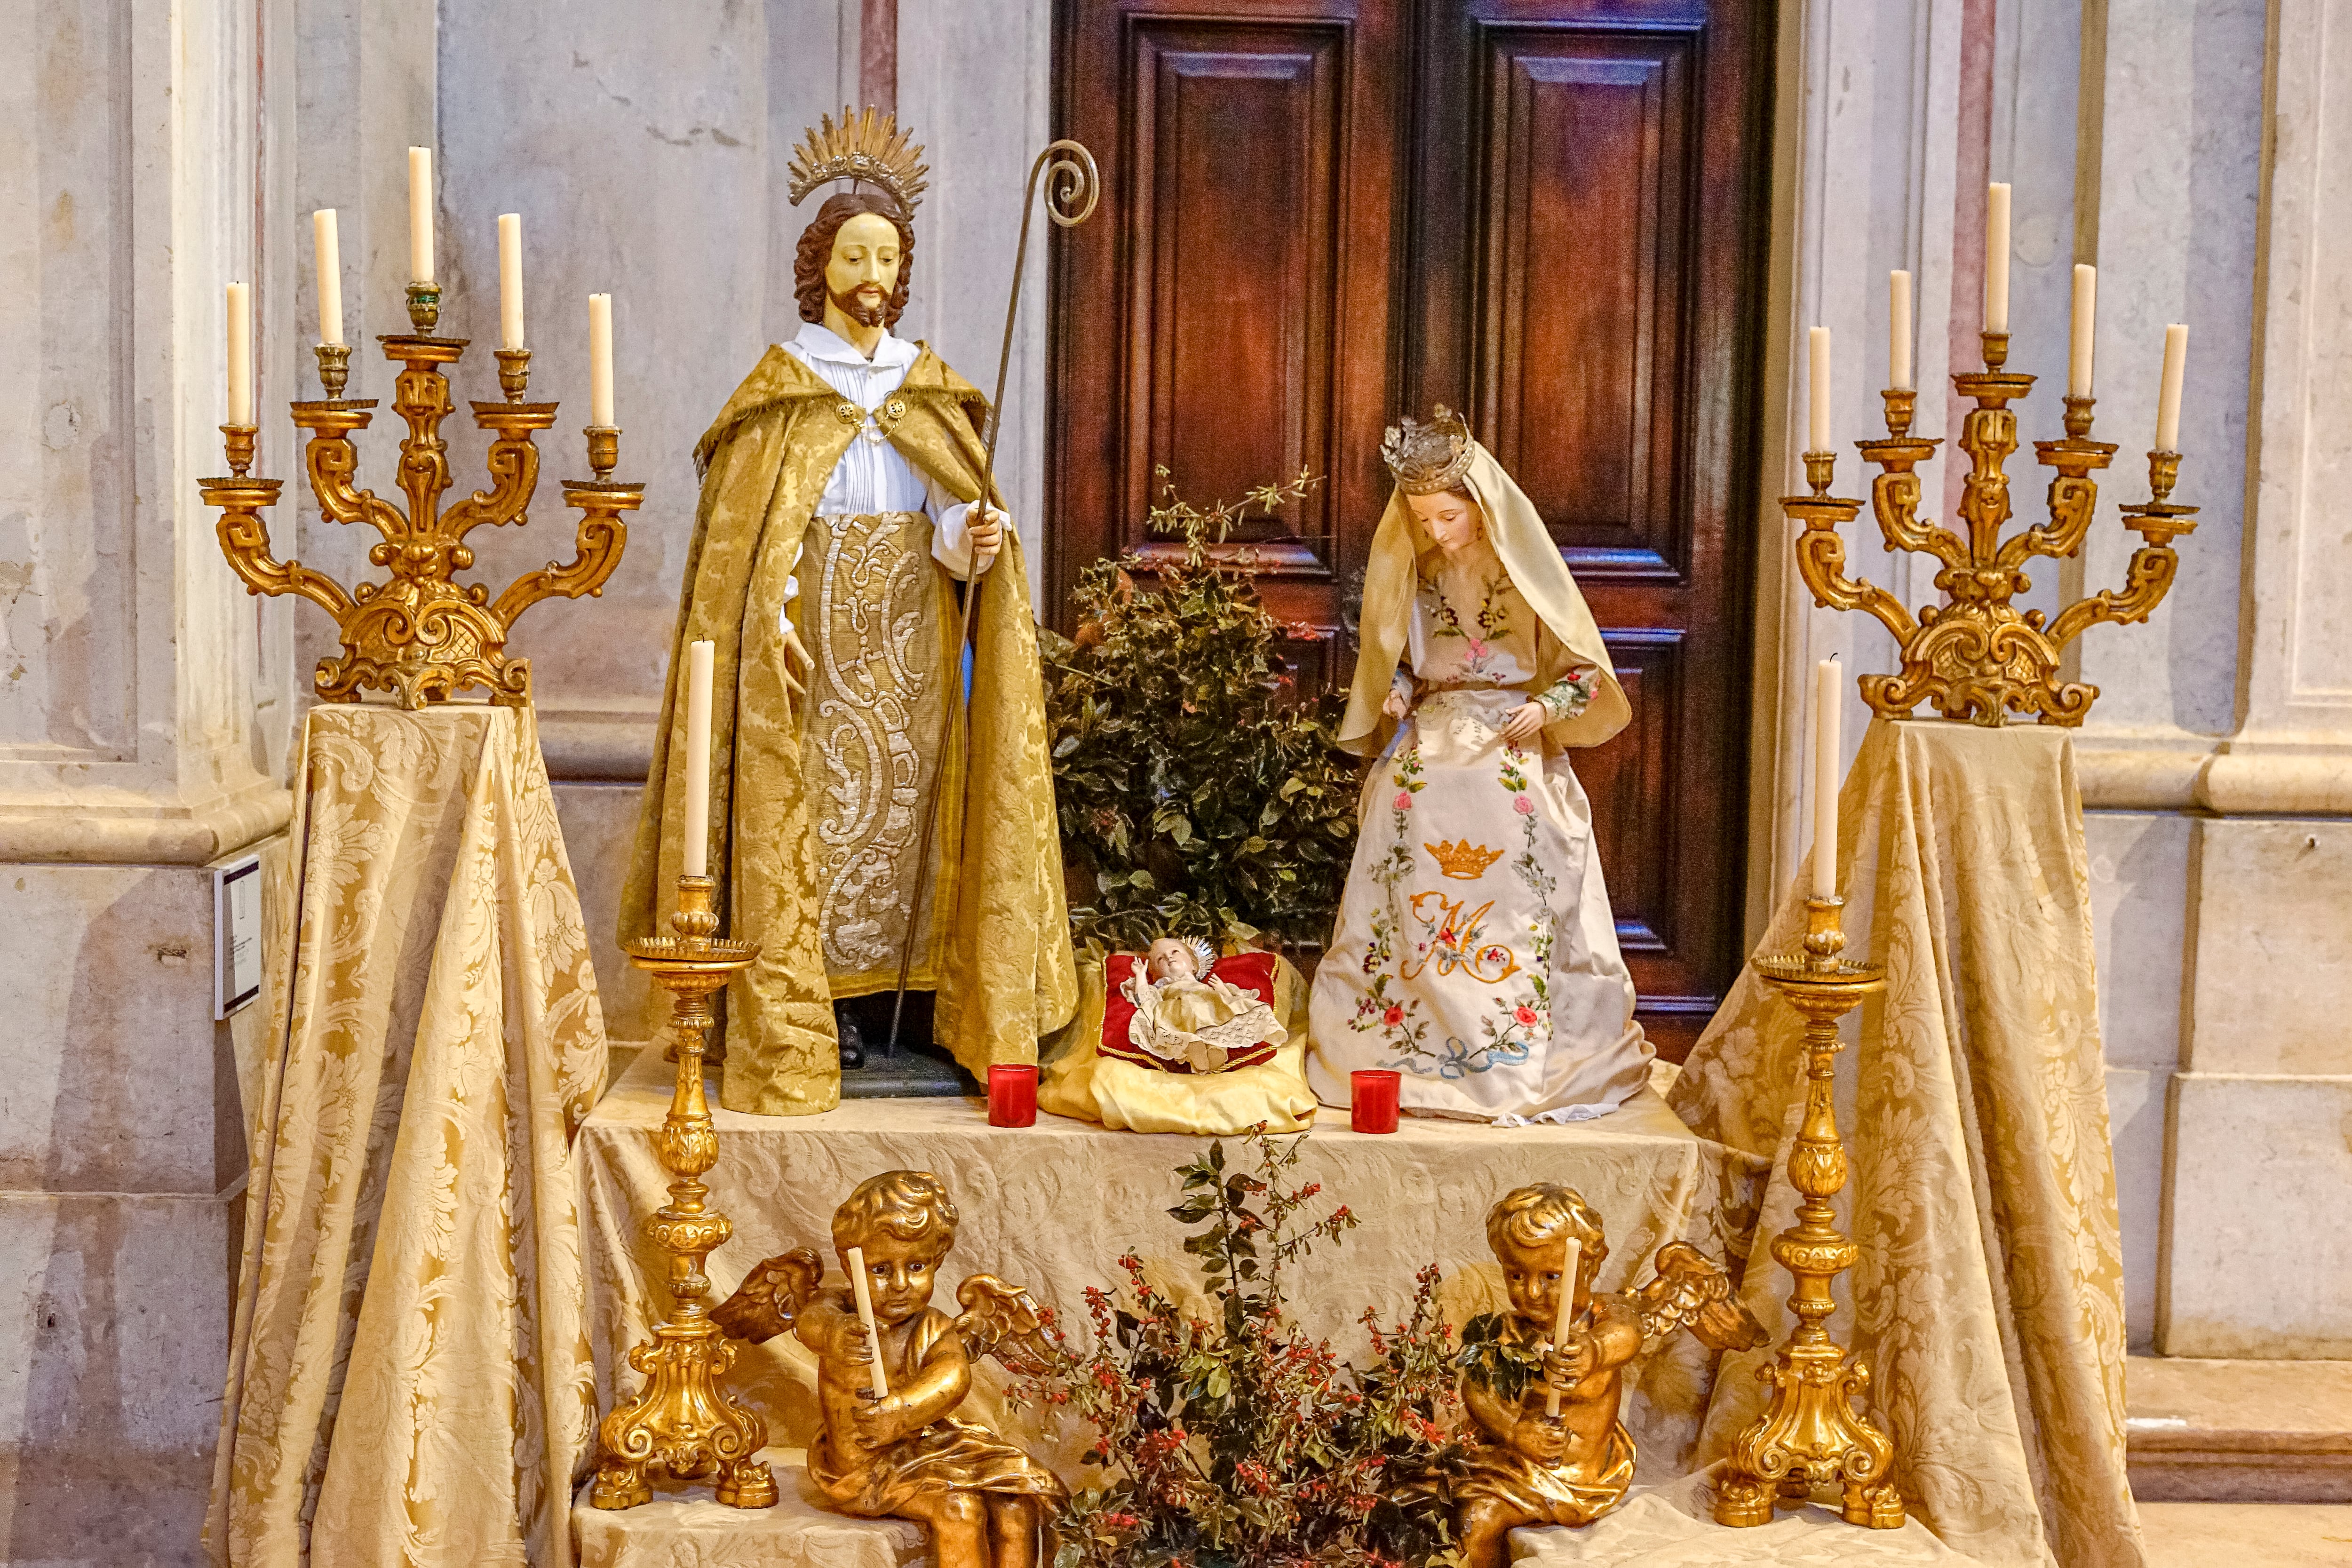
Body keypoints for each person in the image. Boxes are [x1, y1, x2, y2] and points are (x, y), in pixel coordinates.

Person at [619, 109, 1075, 1113]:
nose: (871, 270)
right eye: (853, 252)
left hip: (911, 659)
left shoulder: (925, 386)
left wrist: (973, 539)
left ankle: (910, 1011)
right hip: (815, 659)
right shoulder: (780, 394)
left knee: (913, 827)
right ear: (819, 263)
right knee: (813, 832)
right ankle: (814, 1013)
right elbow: (754, 544)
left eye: (887, 254)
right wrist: (768, 620)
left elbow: (948, 515)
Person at [1304, 408, 1653, 1122]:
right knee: (1402, 836)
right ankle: (1404, 1031)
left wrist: (1547, 707)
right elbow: (1398, 664)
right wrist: (1399, 690)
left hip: (1509, 744)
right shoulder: (1417, 572)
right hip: (1433, 746)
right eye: (1423, 520)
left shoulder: (1525, 573)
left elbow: (1584, 670)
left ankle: (1514, 1040)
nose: (1435, 533)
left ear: (1479, 505)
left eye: (1447, 517)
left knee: (1526, 867)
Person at [798, 1171, 1064, 1568]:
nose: (902, 1283)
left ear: (938, 1260)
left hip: (927, 1445)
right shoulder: (838, 1312)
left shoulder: (934, 1327)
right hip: (865, 1469)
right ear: (851, 1264)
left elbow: (953, 1377)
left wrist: (902, 1410)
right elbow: (810, 1323)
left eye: (918, 1265)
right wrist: (837, 1334)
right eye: (881, 1269)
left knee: (1015, 1503)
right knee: (960, 1509)